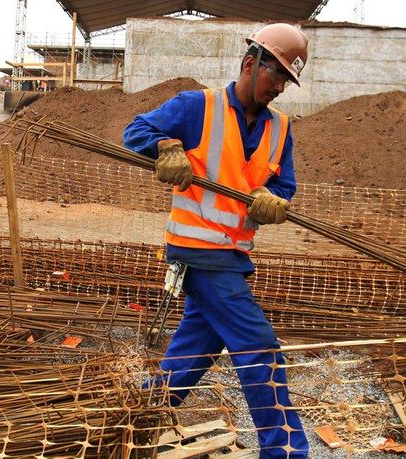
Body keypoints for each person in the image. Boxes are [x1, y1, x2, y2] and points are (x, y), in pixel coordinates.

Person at [123, 23, 310, 458]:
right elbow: (134, 132)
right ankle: (287, 452)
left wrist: (272, 200)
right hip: (198, 254)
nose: (280, 87)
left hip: (233, 256)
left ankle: (136, 415)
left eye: (286, 79)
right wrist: (165, 147)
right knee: (258, 345)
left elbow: (285, 188)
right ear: (250, 62)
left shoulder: (280, 129)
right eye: (275, 75)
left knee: (196, 349)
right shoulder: (196, 107)